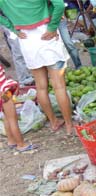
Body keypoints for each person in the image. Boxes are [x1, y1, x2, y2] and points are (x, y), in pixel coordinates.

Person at [0, 0, 74, 135]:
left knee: (40, 86)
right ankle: (69, 125)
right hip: (48, 35)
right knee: (59, 86)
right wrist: (52, 27)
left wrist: (11, 27)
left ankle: (53, 121)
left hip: (26, 39)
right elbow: (58, 5)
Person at [0, 65, 38, 152]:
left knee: (6, 117)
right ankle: (21, 144)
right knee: (13, 119)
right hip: (4, 94)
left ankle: (11, 140)